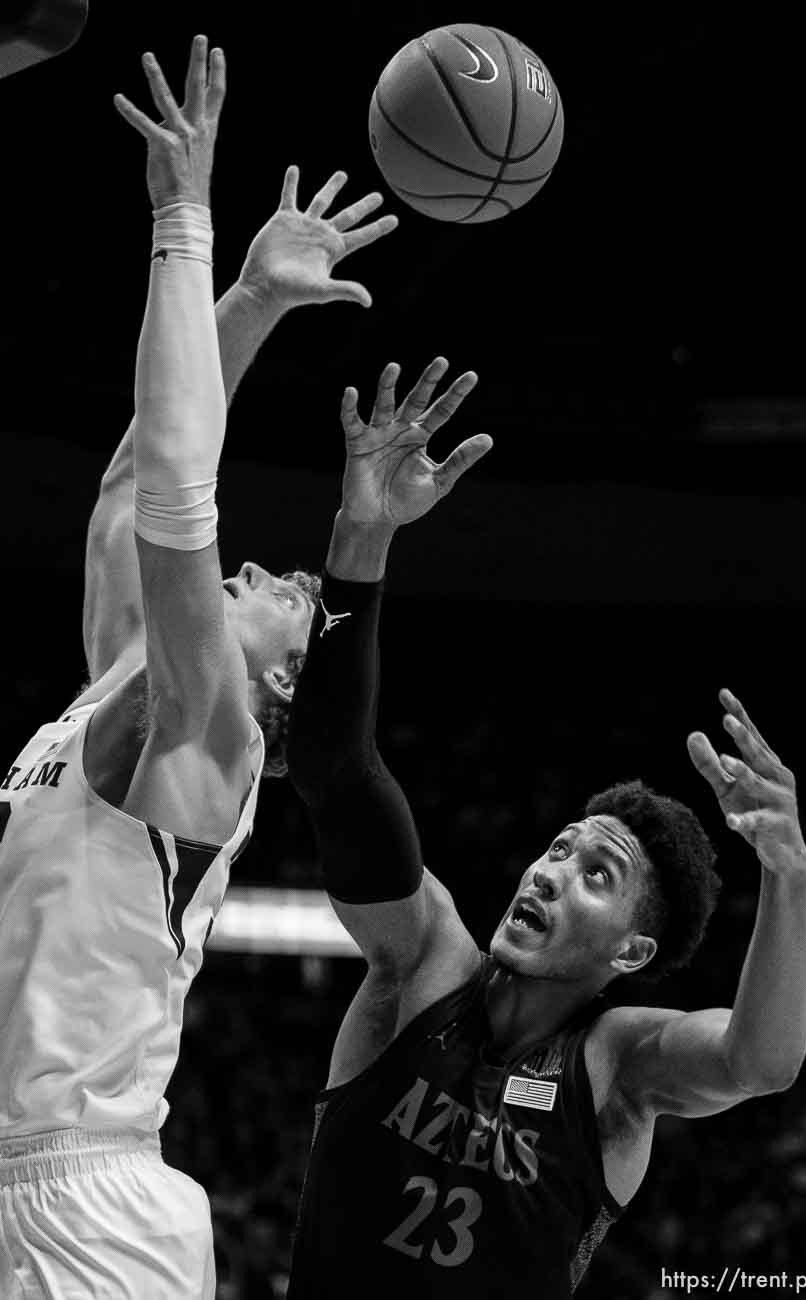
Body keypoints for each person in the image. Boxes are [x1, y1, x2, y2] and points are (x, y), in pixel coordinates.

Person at [0, 34, 397, 1299]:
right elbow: (129, 484)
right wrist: (257, 303)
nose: (277, 577)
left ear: (280, 687)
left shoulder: (210, 743)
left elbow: (179, 488)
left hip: (90, 1205)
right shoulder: (119, 690)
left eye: (296, 602)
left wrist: (187, 226)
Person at [283, 359, 806, 1297]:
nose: (549, 871)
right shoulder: (423, 967)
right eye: (559, 848)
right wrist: (360, 534)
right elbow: (336, 769)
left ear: (631, 948)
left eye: (595, 876)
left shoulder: (618, 1066)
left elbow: (759, 1063)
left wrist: (790, 875)